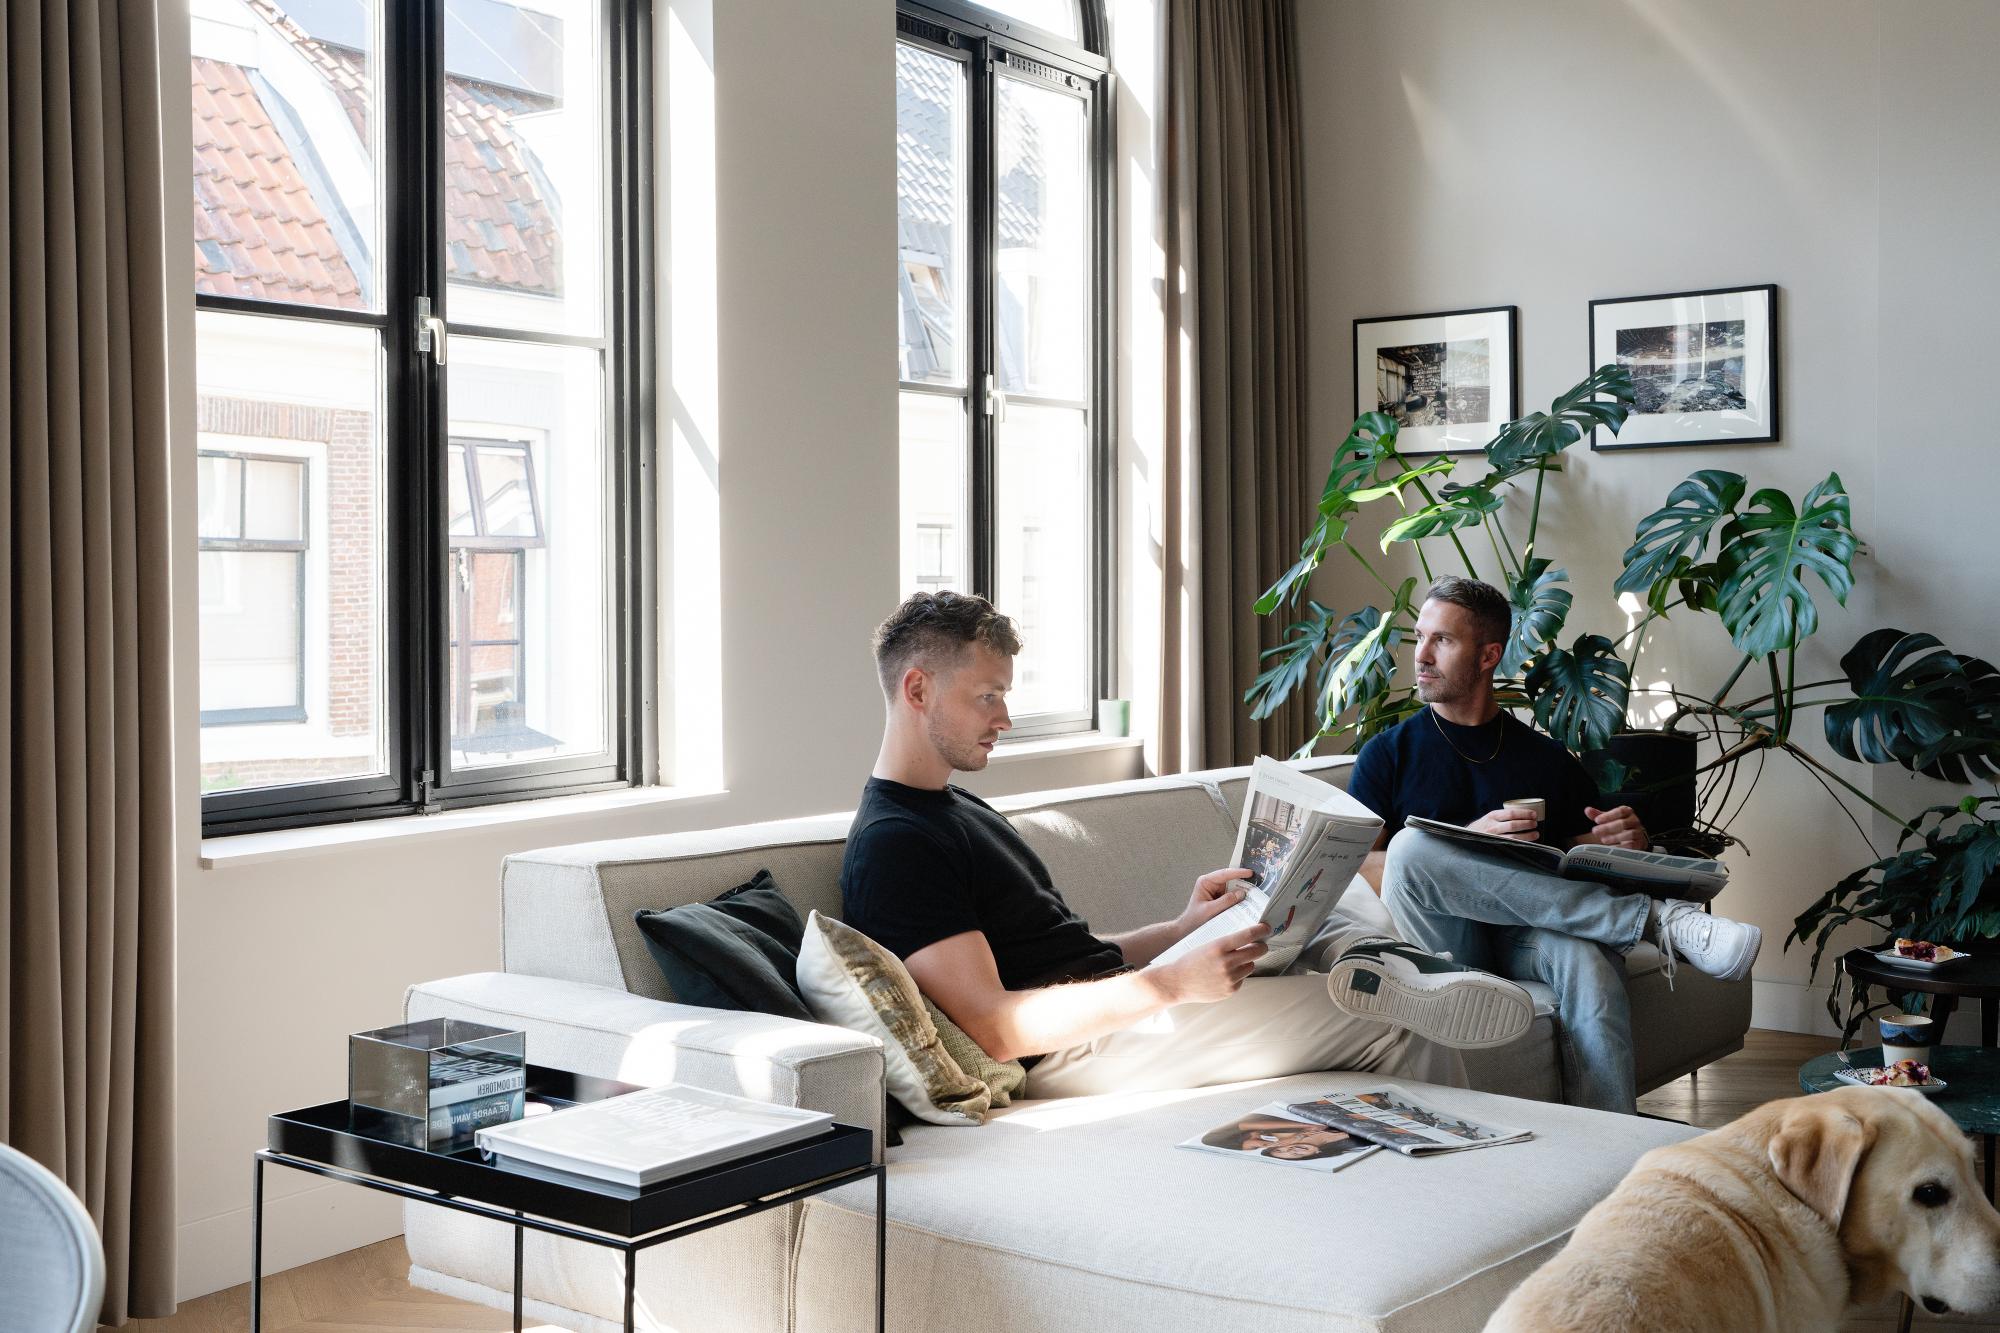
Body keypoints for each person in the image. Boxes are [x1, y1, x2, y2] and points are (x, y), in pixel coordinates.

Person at [838, 590, 1537, 1103]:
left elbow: (1053, 951)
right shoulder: (896, 843)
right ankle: (1459, 1185)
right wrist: (1172, 982)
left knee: (1322, 922)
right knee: (1390, 1021)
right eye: (987, 695)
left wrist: (1178, 930)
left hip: (1106, 1000)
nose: (1005, 717)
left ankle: (1398, 966)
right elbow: (996, 1026)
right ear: (918, 688)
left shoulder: (951, 806)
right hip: (1074, 1049)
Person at [1347, 577, 1763, 1115]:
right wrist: (1467, 841)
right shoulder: (1388, 754)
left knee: (1589, 959)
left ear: (1488, 655)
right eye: (1420, 637)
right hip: (1443, 944)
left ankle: (1612, 1145)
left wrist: (1623, 841)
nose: (1421, 655)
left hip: (1521, 938)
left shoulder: (1541, 757)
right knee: (1408, 849)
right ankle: (1657, 923)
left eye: (1442, 641)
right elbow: (1359, 869)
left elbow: (1578, 854)